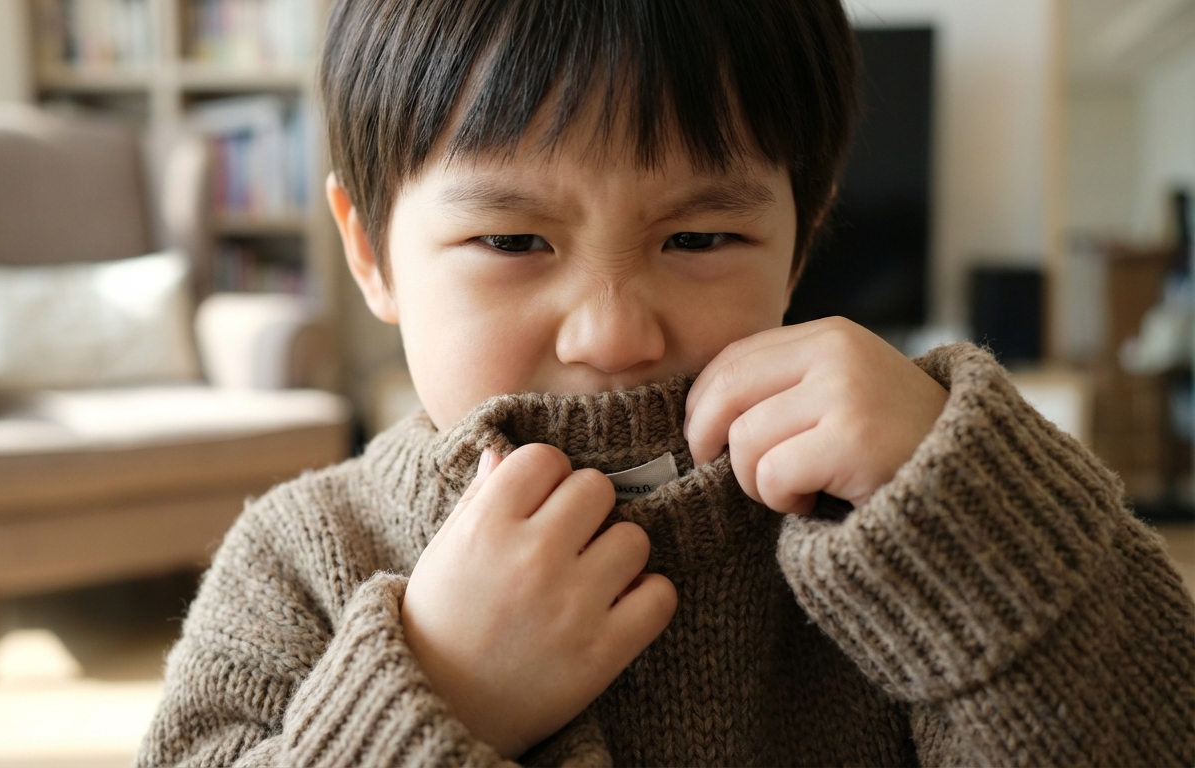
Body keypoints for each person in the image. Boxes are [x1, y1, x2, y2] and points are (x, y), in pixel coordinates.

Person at [137, 0, 1195, 765]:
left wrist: (969, 524)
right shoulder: (296, 559)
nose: (611, 333)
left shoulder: (922, 487)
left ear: (799, 237)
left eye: (698, 235)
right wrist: (439, 695)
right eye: (511, 239)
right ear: (370, 253)